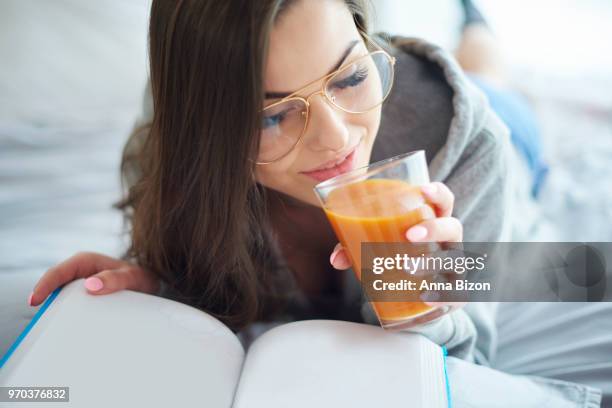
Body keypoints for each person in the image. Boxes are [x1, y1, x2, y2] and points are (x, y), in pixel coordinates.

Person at [27, 0, 606, 406]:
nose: (336, 139)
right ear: (207, 133)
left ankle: (475, 24)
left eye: (350, 76)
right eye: (273, 115)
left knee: (492, 74)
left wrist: (428, 298)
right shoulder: (168, 164)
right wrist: (158, 284)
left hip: (506, 125)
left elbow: (469, 364)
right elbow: (200, 279)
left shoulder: (467, 140)